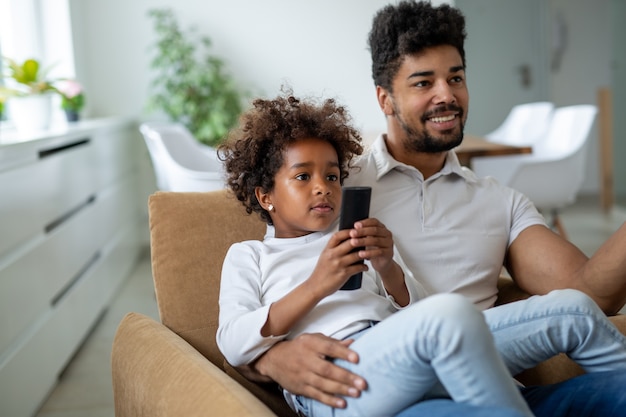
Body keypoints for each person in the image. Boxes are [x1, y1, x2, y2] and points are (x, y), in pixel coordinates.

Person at [235, 2, 626, 417]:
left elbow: (590, 297)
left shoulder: (500, 200)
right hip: (394, 391)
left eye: (455, 77)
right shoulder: (335, 188)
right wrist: (271, 361)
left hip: (499, 383)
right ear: (385, 99)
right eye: (423, 83)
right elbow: (262, 294)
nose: (447, 95)